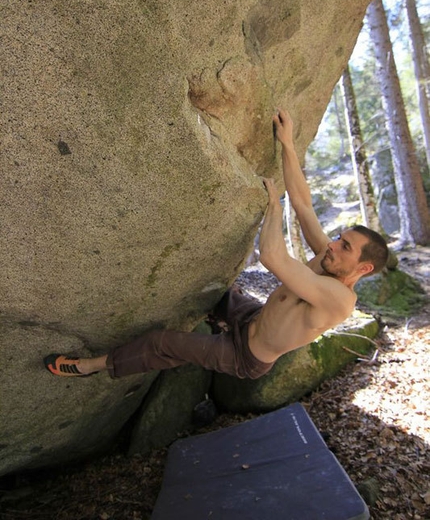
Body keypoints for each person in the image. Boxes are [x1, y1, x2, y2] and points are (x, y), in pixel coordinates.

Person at [44, 108, 389, 380]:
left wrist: (272, 208)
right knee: (214, 292)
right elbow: (303, 204)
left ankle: (89, 366)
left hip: (245, 355)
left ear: (364, 268)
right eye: (339, 238)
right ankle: (210, 322)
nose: (332, 245)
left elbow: (272, 255)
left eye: (345, 246)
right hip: (252, 317)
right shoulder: (329, 259)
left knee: (162, 344)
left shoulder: (340, 300)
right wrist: (287, 143)